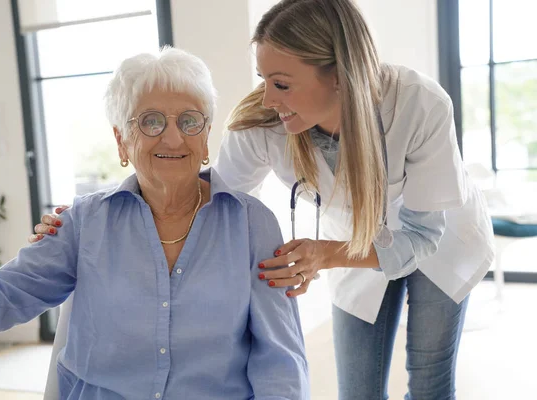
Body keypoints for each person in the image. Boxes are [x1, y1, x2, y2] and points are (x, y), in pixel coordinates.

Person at [31, 0, 495, 399]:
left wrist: (325, 256)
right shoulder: (262, 124)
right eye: (263, 78)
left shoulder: (418, 104)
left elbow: (420, 233)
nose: (267, 96)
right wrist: (91, 215)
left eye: (282, 82)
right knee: (358, 389)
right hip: (352, 244)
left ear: (338, 76)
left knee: (429, 383)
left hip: (438, 242)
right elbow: (205, 193)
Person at [0, 47, 310, 400]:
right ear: (121, 141)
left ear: (206, 136)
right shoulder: (84, 221)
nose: (174, 136)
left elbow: (280, 359)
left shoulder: (251, 224)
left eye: (190, 120)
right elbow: (11, 291)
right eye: (151, 121)